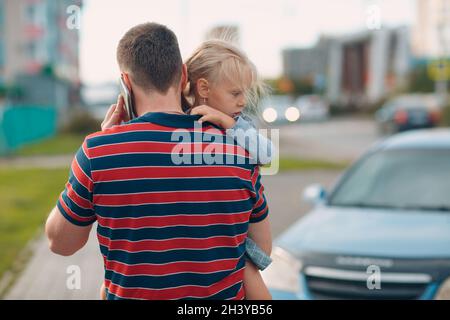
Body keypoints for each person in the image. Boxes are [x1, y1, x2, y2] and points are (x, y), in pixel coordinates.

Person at [45, 22, 271, 300]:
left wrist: (105, 146)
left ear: (126, 83)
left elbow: (61, 243)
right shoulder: (241, 153)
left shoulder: (97, 152)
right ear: (184, 75)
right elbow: (261, 249)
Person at [183, 39, 274, 300]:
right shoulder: (182, 120)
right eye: (235, 94)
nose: (243, 101)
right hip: (199, 236)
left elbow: (267, 155)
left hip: (236, 234)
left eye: (244, 92)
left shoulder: (238, 124)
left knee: (246, 267)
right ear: (203, 88)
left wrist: (230, 126)